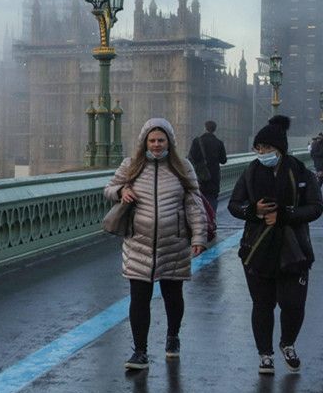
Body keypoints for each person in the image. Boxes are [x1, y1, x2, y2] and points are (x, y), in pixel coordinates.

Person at [105, 117, 207, 370]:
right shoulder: (131, 166)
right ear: (144, 142)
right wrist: (120, 192)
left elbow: (194, 204)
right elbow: (108, 188)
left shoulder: (183, 167)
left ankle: (173, 336)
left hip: (173, 242)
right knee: (139, 298)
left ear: (169, 141)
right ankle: (140, 351)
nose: (156, 145)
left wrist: (198, 237)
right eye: (152, 140)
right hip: (138, 243)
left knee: (173, 295)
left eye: (161, 140)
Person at [227, 115, 322, 375]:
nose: (262, 153)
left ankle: (287, 343)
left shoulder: (301, 172)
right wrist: (253, 211)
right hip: (257, 248)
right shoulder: (250, 172)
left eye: (267, 148)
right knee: (262, 304)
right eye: (259, 148)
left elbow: (316, 207)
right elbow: (234, 205)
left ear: (280, 148)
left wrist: (286, 215)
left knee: (293, 305)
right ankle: (265, 354)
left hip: (294, 249)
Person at [188, 120, 228, 202]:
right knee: (212, 202)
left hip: (199, 178)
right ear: (215, 129)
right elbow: (223, 160)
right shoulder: (219, 143)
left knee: (199, 202)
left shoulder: (197, 141)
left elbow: (190, 158)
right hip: (213, 178)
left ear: (205, 128)